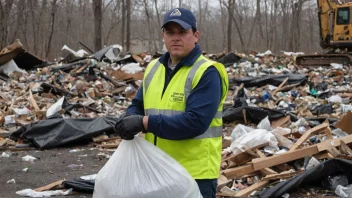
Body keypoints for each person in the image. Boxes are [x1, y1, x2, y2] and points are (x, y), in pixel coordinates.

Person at [115, 7, 228, 198]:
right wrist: (128, 117)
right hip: (155, 170)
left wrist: (143, 123)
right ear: (163, 36)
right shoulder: (153, 68)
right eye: (170, 32)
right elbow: (138, 103)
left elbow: (195, 122)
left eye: (182, 32)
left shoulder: (208, 72)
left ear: (195, 35)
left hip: (194, 176)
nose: (175, 38)